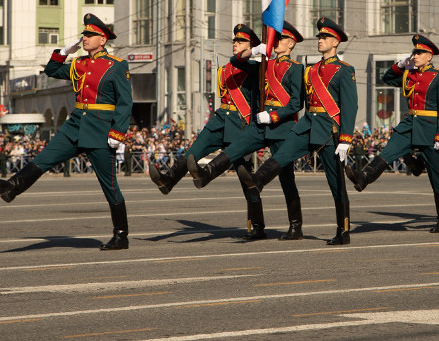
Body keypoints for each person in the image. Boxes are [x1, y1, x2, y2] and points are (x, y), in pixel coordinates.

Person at [0, 14, 133, 250]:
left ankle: (121, 235)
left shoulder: (116, 66)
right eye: (84, 35)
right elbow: (52, 70)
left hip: (100, 129)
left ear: (102, 39)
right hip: (75, 125)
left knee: (110, 185)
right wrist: (64, 51)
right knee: (44, 158)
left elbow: (125, 103)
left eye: (90, 35)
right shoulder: (79, 64)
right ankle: (11, 187)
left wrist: (117, 133)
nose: (85, 39)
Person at [237, 18, 358, 245]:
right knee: (282, 155)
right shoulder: (310, 70)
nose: (319, 41)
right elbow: (299, 101)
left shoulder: (345, 71)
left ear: (335, 42)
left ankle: (343, 231)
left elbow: (350, 107)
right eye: (319, 37)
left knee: (336, 183)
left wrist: (346, 139)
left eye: (324, 38)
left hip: (329, 130)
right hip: (307, 123)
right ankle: (258, 181)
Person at [187, 21, 306, 241]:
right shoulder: (263, 64)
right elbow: (236, 60)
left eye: (278, 39)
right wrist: (254, 50)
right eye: (273, 39)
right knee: (235, 148)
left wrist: (273, 115)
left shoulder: (297, 69)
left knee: (286, 179)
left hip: (282, 127)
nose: (274, 43)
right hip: (260, 125)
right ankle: (206, 174)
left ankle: (295, 225)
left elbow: (297, 103)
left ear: (290, 44)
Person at [149, 24, 265, 239]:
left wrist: (253, 136)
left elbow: (257, 103)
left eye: (241, 42)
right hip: (221, 119)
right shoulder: (224, 69)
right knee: (191, 153)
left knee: (246, 177)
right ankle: (168, 181)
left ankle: (257, 226)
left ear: (252, 46)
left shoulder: (257, 69)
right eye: (234, 41)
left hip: (242, 123)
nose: (235, 44)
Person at [345, 34, 439, 233]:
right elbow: (386, 78)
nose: (416, 55)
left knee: (435, 174)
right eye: (414, 52)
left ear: (429, 56)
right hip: (410, 124)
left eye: (420, 52)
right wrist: (400, 65)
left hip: (429, 128)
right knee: (389, 151)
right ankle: (364, 178)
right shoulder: (409, 74)